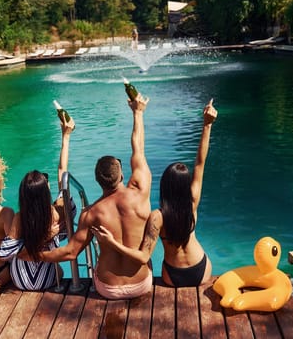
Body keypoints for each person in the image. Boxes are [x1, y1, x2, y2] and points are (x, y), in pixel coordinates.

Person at [23, 93, 153, 300]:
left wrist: (36, 255)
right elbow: (138, 150)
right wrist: (138, 113)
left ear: (98, 181)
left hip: (108, 289)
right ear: (121, 175)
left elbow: (70, 252)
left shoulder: (90, 214)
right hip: (141, 284)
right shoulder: (140, 193)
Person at [92, 99, 217, 287]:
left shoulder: (157, 217)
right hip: (201, 269)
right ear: (185, 185)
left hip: (172, 276)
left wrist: (112, 243)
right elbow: (200, 163)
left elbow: (143, 256)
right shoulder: (192, 202)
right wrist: (207, 125)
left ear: (164, 186)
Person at [0, 112, 76, 291]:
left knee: (15, 259)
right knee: (58, 271)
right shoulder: (57, 213)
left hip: (19, 280)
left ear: (23, 195)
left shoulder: (19, 218)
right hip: (47, 280)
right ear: (45, 191)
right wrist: (66, 136)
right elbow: (62, 171)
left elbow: (4, 254)